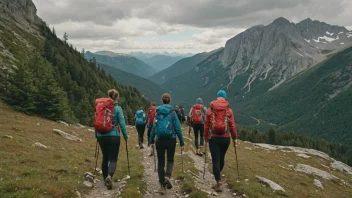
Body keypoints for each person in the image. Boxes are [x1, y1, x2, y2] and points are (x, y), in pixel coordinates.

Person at [150, 93, 185, 195]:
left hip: (159, 140)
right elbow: (178, 128)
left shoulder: (158, 112)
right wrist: (182, 142)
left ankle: (162, 185)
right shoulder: (172, 112)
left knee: (161, 163)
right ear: (169, 101)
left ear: (162, 101)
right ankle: (167, 176)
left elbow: (154, 127)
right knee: (170, 160)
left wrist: (151, 140)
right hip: (171, 139)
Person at [204, 90, 237, 192]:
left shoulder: (211, 109)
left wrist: (205, 138)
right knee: (221, 158)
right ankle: (218, 176)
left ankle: (218, 182)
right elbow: (232, 125)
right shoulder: (229, 110)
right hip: (225, 138)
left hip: (214, 138)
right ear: (224, 97)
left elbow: (206, 125)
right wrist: (235, 138)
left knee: (215, 160)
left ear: (217, 97)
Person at [95, 89, 129, 190]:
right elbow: (122, 123)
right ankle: (109, 176)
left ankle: (105, 179)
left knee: (105, 157)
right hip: (114, 135)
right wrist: (126, 136)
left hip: (101, 135)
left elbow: (96, 121)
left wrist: (96, 135)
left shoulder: (100, 106)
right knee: (113, 158)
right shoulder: (117, 108)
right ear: (117, 97)